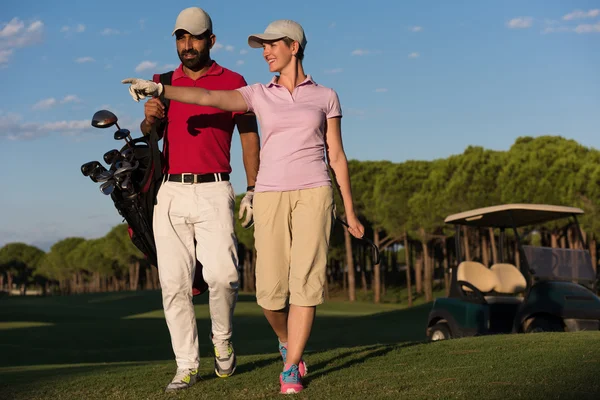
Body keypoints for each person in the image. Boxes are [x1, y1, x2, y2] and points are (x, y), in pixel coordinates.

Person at [123, 19, 364, 395]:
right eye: (262, 46)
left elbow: (336, 153)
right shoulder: (256, 92)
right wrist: (158, 89)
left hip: (301, 191)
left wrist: (349, 210)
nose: (265, 52)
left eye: (271, 45)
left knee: (284, 283)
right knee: (266, 294)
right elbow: (206, 98)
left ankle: (288, 366)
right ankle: (261, 348)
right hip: (244, 193)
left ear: (294, 47)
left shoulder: (324, 95)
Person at [137, 7, 260, 392]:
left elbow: (249, 136)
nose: (186, 45)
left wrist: (253, 187)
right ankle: (186, 365)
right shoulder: (162, 81)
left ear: (211, 40)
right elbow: (150, 135)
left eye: (194, 37)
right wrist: (149, 119)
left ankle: (221, 341)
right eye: (180, 38)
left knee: (224, 277)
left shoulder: (233, 80)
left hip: (214, 188)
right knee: (172, 284)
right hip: (170, 190)